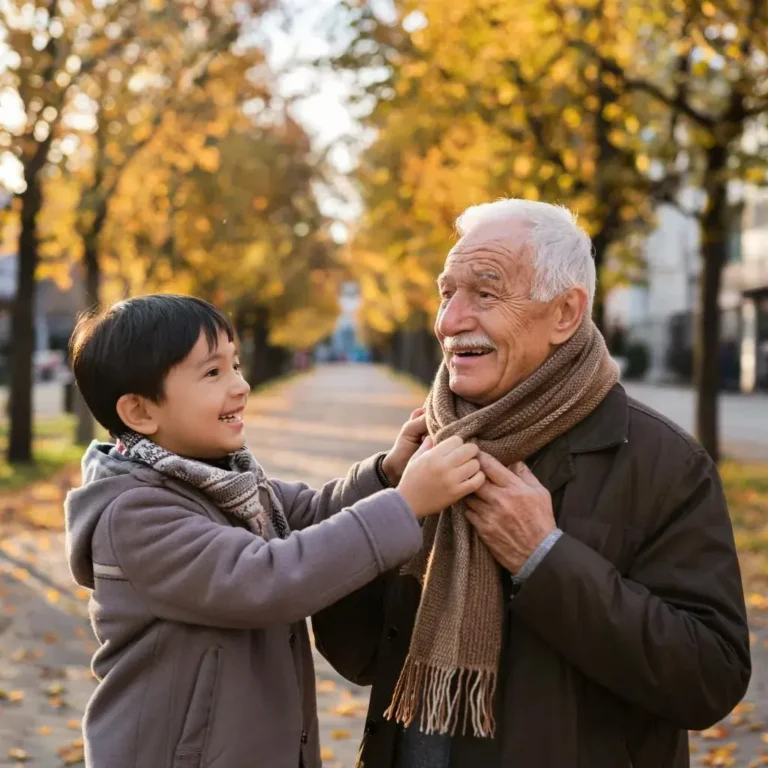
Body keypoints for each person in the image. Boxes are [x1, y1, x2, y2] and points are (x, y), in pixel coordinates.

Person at [312, 199, 751, 768]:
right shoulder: (426, 450)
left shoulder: (664, 463)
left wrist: (545, 558)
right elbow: (357, 651)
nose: (449, 321)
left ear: (566, 312)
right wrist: (384, 491)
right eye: (447, 294)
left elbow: (709, 678)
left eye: (486, 293)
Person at [64, 294, 484, 768]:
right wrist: (406, 506)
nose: (241, 385)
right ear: (140, 413)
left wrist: (387, 472)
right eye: (212, 373)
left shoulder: (224, 481)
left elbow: (310, 513)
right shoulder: (136, 514)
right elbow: (269, 578)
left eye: (236, 365)